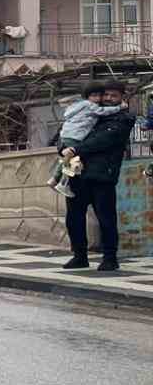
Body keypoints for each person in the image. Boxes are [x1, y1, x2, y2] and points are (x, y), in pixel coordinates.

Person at [59, 79, 134, 271]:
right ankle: (79, 255)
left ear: (121, 97)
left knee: (106, 218)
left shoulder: (124, 117)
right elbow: (64, 134)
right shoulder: (90, 112)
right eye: (105, 95)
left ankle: (110, 257)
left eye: (113, 95)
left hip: (102, 176)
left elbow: (102, 140)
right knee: (73, 218)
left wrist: (74, 149)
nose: (108, 98)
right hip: (77, 174)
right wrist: (62, 148)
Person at [48, 83, 109, 197]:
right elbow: (103, 112)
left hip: (67, 135)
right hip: (74, 137)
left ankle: (54, 179)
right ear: (87, 96)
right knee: (74, 161)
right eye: (94, 95)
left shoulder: (78, 106)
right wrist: (119, 107)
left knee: (69, 158)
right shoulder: (90, 106)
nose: (97, 98)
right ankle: (63, 183)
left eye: (99, 95)